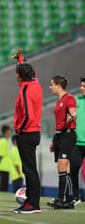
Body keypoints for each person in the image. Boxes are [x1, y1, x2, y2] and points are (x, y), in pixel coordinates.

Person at [12, 49, 43, 214]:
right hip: (34, 132)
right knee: (29, 168)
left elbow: (28, 115)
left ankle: (34, 204)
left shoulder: (25, 90)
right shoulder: (35, 83)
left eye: (17, 72)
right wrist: (20, 60)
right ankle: (30, 202)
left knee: (29, 169)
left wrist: (19, 129)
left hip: (27, 133)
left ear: (19, 76)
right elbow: (31, 72)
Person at [47, 75, 77, 209]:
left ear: (58, 85)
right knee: (65, 169)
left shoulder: (69, 99)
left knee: (62, 167)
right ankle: (69, 200)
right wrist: (55, 140)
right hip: (60, 135)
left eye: (51, 84)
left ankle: (61, 199)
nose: (50, 87)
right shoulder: (58, 101)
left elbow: (73, 113)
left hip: (68, 135)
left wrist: (71, 118)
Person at [71, 77, 85, 204]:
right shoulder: (76, 101)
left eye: (84, 86)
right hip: (78, 143)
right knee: (74, 169)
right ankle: (75, 195)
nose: (81, 88)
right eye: (81, 85)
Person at [0, 125, 12, 192]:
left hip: (3, 167)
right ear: (6, 132)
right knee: (4, 186)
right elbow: (0, 155)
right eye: (9, 131)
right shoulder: (3, 141)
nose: (10, 133)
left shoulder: (3, 141)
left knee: (3, 185)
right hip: (3, 167)